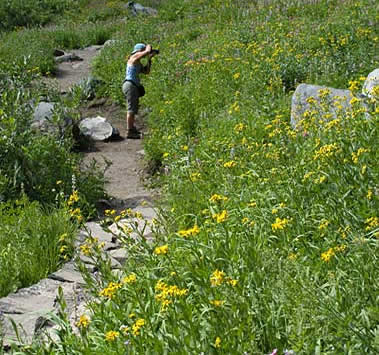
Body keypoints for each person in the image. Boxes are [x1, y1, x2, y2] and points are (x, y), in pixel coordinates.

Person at [122, 43, 156, 139]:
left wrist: (149, 59)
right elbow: (147, 51)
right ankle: (130, 131)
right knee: (131, 109)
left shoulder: (138, 62)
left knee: (133, 108)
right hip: (130, 85)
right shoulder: (133, 57)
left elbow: (146, 72)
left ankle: (132, 128)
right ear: (139, 50)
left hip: (132, 85)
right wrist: (148, 47)